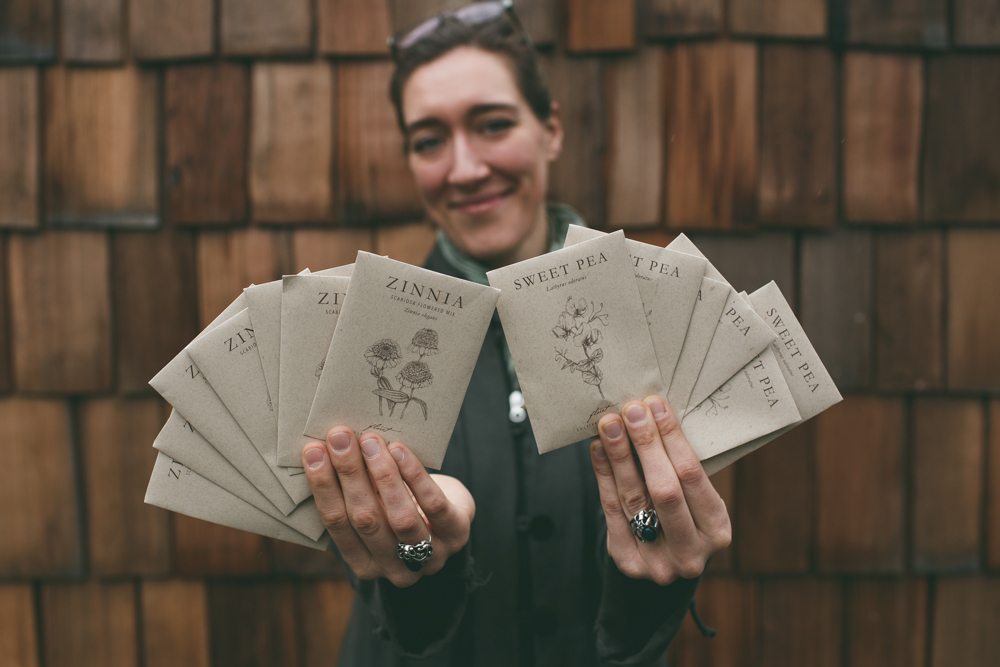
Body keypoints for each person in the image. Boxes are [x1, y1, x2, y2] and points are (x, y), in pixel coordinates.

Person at [299, 2, 732, 665]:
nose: (465, 168)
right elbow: (395, 615)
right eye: (428, 139)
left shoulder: (661, 318)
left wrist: (650, 579)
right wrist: (418, 567)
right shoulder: (356, 340)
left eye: (493, 124)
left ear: (551, 129)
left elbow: (646, 605)